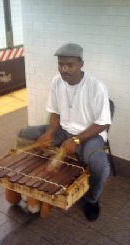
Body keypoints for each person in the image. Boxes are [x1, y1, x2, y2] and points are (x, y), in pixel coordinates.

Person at [17, 43, 111, 221]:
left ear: (81, 63)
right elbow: (55, 112)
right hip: (63, 130)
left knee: (99, 164)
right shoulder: (57, 81)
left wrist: (76, 140)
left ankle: (92, 199)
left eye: (70, 65)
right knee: (25, 134)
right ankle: (36, 185)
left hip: (89, 135)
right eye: (61, 64)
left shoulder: (96, 86)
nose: (64, 69)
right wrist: (51, 132)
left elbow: (102, 124)